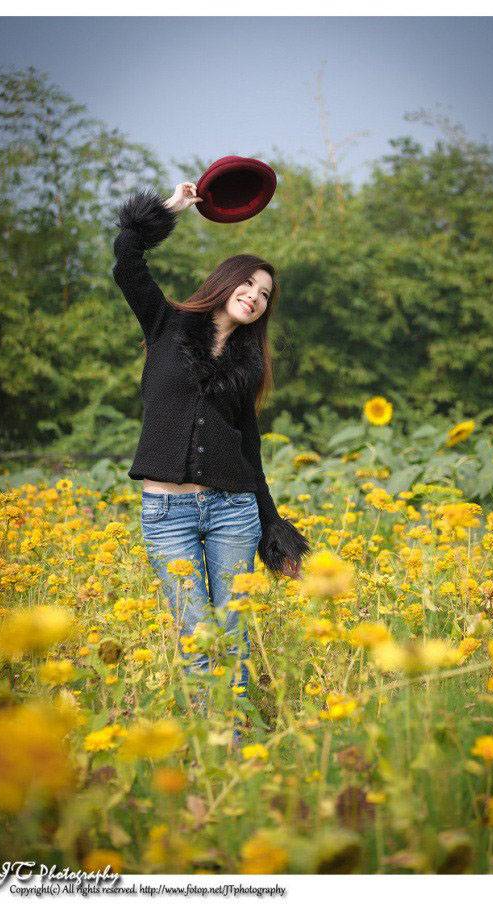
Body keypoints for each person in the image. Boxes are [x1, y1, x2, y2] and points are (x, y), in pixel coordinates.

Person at [112, 182, 310, 720]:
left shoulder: (249, 367)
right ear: (226, 283)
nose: (254, 295)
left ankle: (238, 743)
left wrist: (274, 528)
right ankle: (211, 751)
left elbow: (251, 453)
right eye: (247, 283)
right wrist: (166, 210)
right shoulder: (166, 324)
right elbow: (127, 262)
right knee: (198, 641)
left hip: (234, 513)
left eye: (265, 293)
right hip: (167, 514)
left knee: (233, 636)